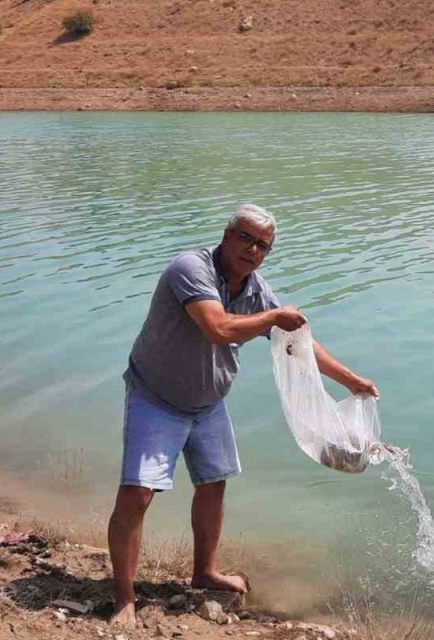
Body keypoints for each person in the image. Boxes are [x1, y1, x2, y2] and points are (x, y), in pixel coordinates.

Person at [107, 204, 377, 627]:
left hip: (208, 402)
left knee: (213, 484)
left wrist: (351, 381)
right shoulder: (190, 269)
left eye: (263, 246)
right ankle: (124, 596)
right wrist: (273, 316)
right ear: (227, 235)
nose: (253, 250)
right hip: (156, 397)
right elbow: (217, 328)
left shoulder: (256, 289)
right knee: (138, 494)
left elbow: (299, 345)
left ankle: (204, 571)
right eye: (246, 238)